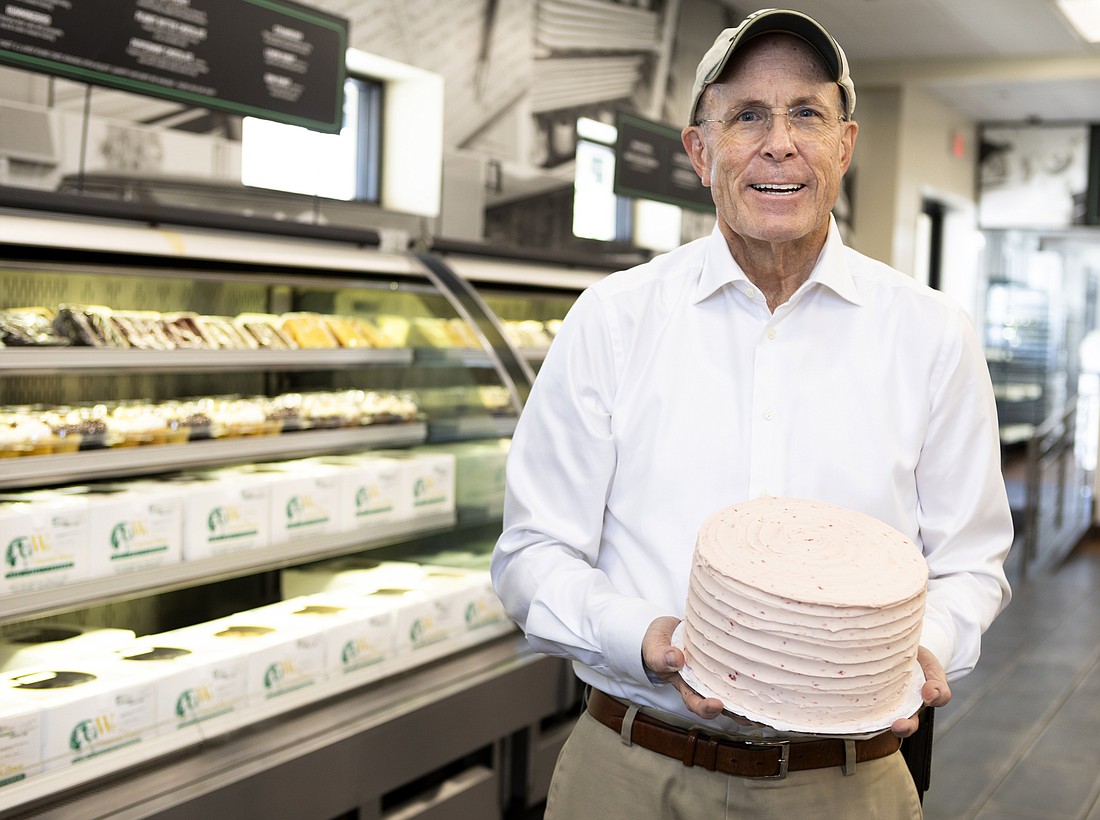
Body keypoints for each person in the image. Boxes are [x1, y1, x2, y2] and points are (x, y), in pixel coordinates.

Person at [491, 8, 1012, 819]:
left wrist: (921, 649)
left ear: (845, 145)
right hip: (631, 771)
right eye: (746, 116)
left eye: (807, 111)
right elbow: (531, 554)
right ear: (701, 152)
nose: (780, 142)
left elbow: (971, 562)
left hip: (847, 785)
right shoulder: (613, 319)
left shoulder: (932, 333)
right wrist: (647, 637)